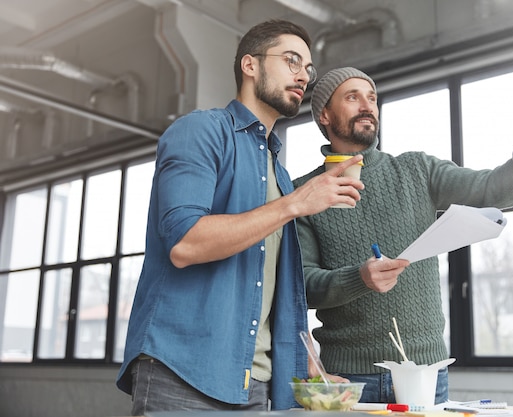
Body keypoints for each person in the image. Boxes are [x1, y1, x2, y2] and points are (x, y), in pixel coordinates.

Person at [292, 67, 513, 404]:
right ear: (325, 115)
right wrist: (358, 278)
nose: (367, 105)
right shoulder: (304, 193)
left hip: (426, 373)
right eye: (352, 97)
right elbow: (303, 286)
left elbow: (496, 191)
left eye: (372, 97)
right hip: (350, 377)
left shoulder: (417, 170)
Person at [115, 22, 364, 415]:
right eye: (291, 61)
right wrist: (294, 204)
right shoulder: (199, 131)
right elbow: (185, 243)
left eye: (308, 68)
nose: (303, 75)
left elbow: (277, 290)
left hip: (256, 386)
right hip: (184, 376)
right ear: (250, 65)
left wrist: (311, 369)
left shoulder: (277, 171)